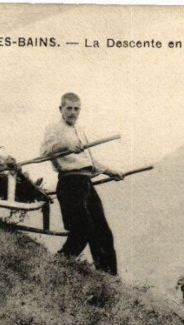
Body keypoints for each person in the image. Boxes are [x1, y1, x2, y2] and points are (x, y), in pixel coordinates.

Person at [40, 92, 123, 276]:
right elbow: (45, 151)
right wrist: (65, 147)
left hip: (86, 182)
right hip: (70, 183)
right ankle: (57, 265)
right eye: (68, 108)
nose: (72, 112)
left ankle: (109, 278)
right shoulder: (54, 128)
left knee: (103, 232)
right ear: (60, 109)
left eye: (76, 109)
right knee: (82, 229)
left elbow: (90, 161)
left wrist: (112, 172)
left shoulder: (81, 131)